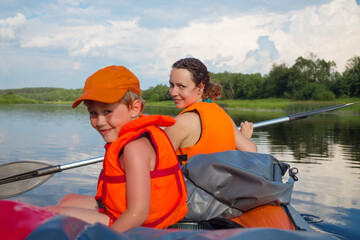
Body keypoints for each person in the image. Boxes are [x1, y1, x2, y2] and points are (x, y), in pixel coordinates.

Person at [47, 65, 187, 233]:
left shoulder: (134, 148)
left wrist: (105, 237)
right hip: (118, 209)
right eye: (93, 113)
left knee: (50, 215)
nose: (99, 122)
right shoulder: (130, 139)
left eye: (107, 111)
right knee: (67, 199)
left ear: (135, 108)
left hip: (143, 225)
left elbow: (138, 213)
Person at [165, 57, 257, 164]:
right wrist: (244, 137)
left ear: (200, 88)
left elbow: (156, 167)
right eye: (172, 85)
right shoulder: (221, 114)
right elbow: (251, 149)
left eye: (181, 86)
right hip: (222, 180)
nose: (173, 92)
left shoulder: (179, 124)